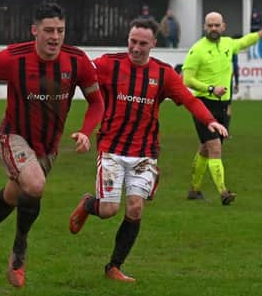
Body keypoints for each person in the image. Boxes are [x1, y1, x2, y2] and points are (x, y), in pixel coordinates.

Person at [0, 2, 104, 288]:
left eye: (60, 30)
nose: (55, 37)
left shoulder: (78, 61)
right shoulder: (13, 57)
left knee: (15, 193)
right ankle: (19, 252)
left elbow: (97, 102)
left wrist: (86, 131)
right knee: (34, 185)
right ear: (34, 30)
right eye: (48, 30)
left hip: (48, 146)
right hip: (12, 136)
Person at [68, 19, 228, 282]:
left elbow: (189, 99)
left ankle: (114, 267)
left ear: (154, 43)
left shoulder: (163, 73)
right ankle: (89, 204)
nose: (136, 48)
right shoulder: (109, 64)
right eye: (133, 41)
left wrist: (209, 120)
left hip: (144, 152)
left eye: (143, 43)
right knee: (109, 210)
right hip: (111, 149)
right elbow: (80, 74)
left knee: (135, 209)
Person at [182, 11, 262, 205]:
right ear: (204, 27)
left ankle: (194, 190)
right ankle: (224, 192)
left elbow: (245, 41)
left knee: (206, 149)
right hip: (203, 104)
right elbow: (186, 79)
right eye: (210, 25)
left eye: (217, 25)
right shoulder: (197, 50)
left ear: (223, 27)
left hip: (223, 106)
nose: (214, 29)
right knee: (215, 148)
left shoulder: (227, 44)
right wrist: (210, 88)